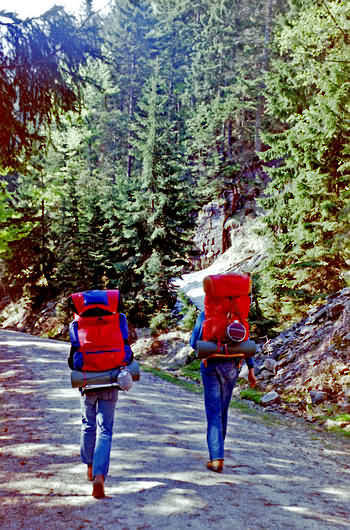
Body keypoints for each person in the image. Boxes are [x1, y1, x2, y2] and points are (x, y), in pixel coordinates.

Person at [68, 290, 133, 499]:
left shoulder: (77, 323)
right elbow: (127, 351)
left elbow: (73, 358)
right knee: (105, 430)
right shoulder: (119, 320)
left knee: (88, 425)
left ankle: (89, 466)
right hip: (111, 380)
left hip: (88, 382)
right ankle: (99, 475)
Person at [190, 310, 256, 473]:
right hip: (232, 367)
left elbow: (193, 342)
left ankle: (216, 458)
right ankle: (218, 453)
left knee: (213, 413)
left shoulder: (206, 313)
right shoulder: (237, 315)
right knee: (223, 411)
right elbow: (246, 341)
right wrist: (251, 369)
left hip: (210, 365)